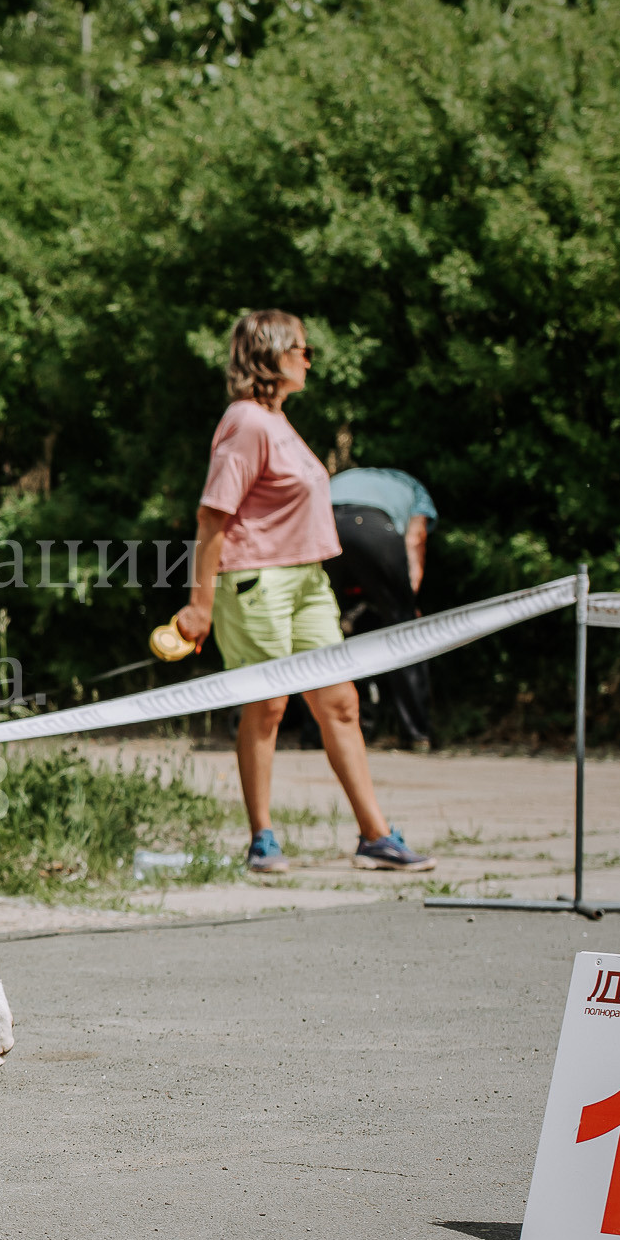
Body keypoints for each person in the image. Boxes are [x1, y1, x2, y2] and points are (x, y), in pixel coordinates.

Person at [172, 311, 434, 876]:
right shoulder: (245, 421)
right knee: (267, 706)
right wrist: (200, 604)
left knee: (339, 702)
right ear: (271, 355)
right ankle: (262, 839)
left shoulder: (278, 420)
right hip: (257, 581)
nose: (308, 359)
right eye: (301, 350)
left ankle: (375, 835)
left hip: (308, 582)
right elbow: (212, 516)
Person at [326, 465, 438, 749]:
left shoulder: (342, 479)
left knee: (324, 631)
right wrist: (406, 603)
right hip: (372, 529)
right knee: (404, 630)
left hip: (321, 524)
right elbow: (416, 538)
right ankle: (416, 734)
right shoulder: (415, 489)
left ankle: (316, 733)